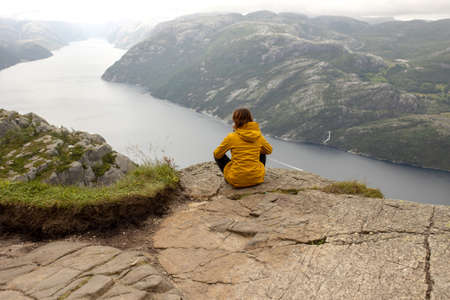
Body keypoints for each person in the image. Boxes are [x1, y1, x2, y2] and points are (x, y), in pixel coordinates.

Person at [214, 108, 272, 188]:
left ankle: (229, 178)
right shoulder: (258, 136)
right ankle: (254, 174)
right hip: (256, 179)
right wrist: (254, 148)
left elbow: (217, 154)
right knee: (262, 153)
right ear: (250, 119)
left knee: (218, 155)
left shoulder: (232, 137)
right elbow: (269, 150)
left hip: (236, 180)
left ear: (235, 120)